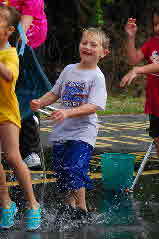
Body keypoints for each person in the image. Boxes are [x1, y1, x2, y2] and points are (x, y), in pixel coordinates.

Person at [31, 27, 109, 216]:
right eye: (84, 43)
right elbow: (55, 93)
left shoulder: (97, 77)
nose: (87, 47)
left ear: (103, 53)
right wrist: (40, 102)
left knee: (75, 167)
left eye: (93, 44)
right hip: (62, 131)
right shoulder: (69, 70)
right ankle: (69, 207)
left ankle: (82, 209)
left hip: (83, 132)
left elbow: (94, 106)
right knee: (62, 171)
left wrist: (68, 113)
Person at [0, 5, 41, 230]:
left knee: (14, 157)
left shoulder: (10, 54)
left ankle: (33, 204)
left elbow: (9, 76)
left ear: (9, 32)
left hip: (6, 113)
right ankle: (6, 204)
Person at [0, 0, 48, 169]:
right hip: (5, 41)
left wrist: (10, 51)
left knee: (25, 93)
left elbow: (23, 29)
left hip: (26, 44)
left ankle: (29, 150)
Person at [120, 8, 159, 158]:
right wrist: (130, 37)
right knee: (157, 140)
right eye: (156, 24)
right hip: (155, 103)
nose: (158, 28)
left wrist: (139, 70)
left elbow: (138, 67)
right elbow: (133, 60)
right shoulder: (152, 43)